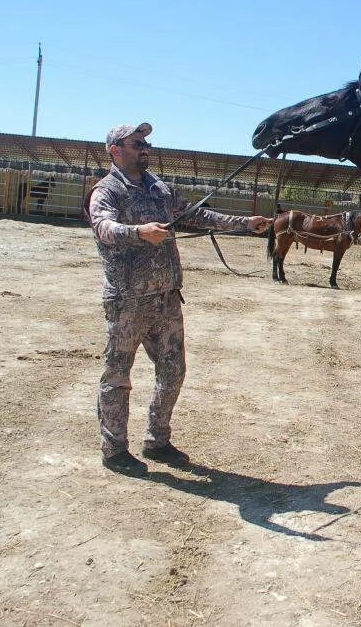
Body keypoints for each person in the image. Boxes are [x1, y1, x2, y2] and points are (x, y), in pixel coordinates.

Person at [88, 122, 260, 476]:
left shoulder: (159, 190)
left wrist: (245, 222)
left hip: (166, 299)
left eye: (146, 143)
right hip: (127, 302)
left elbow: (199, 214)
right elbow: (103, 227)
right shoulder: (106, 191)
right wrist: (139, 233)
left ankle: (157, 439)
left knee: (173, 371)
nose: (144, 148)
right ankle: (114, 448)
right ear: (115, 150)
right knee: (117, 375)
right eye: (137, 143)